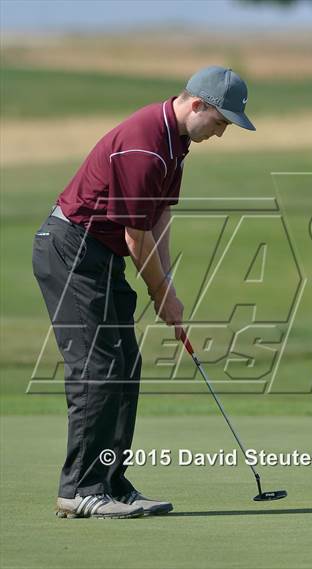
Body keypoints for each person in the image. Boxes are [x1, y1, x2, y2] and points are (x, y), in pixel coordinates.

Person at [32, 65, 256, 519]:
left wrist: (166, 286)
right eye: (220, 121)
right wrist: (161, 293)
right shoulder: (146, 146)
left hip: (98, 254)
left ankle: (110, 481)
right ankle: (80, 490)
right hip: (71, 249)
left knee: (124, 363)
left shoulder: (177, 144)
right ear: (197, 104)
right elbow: (136, 237)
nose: (221, 132)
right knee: (98, 367)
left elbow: (158, 219)